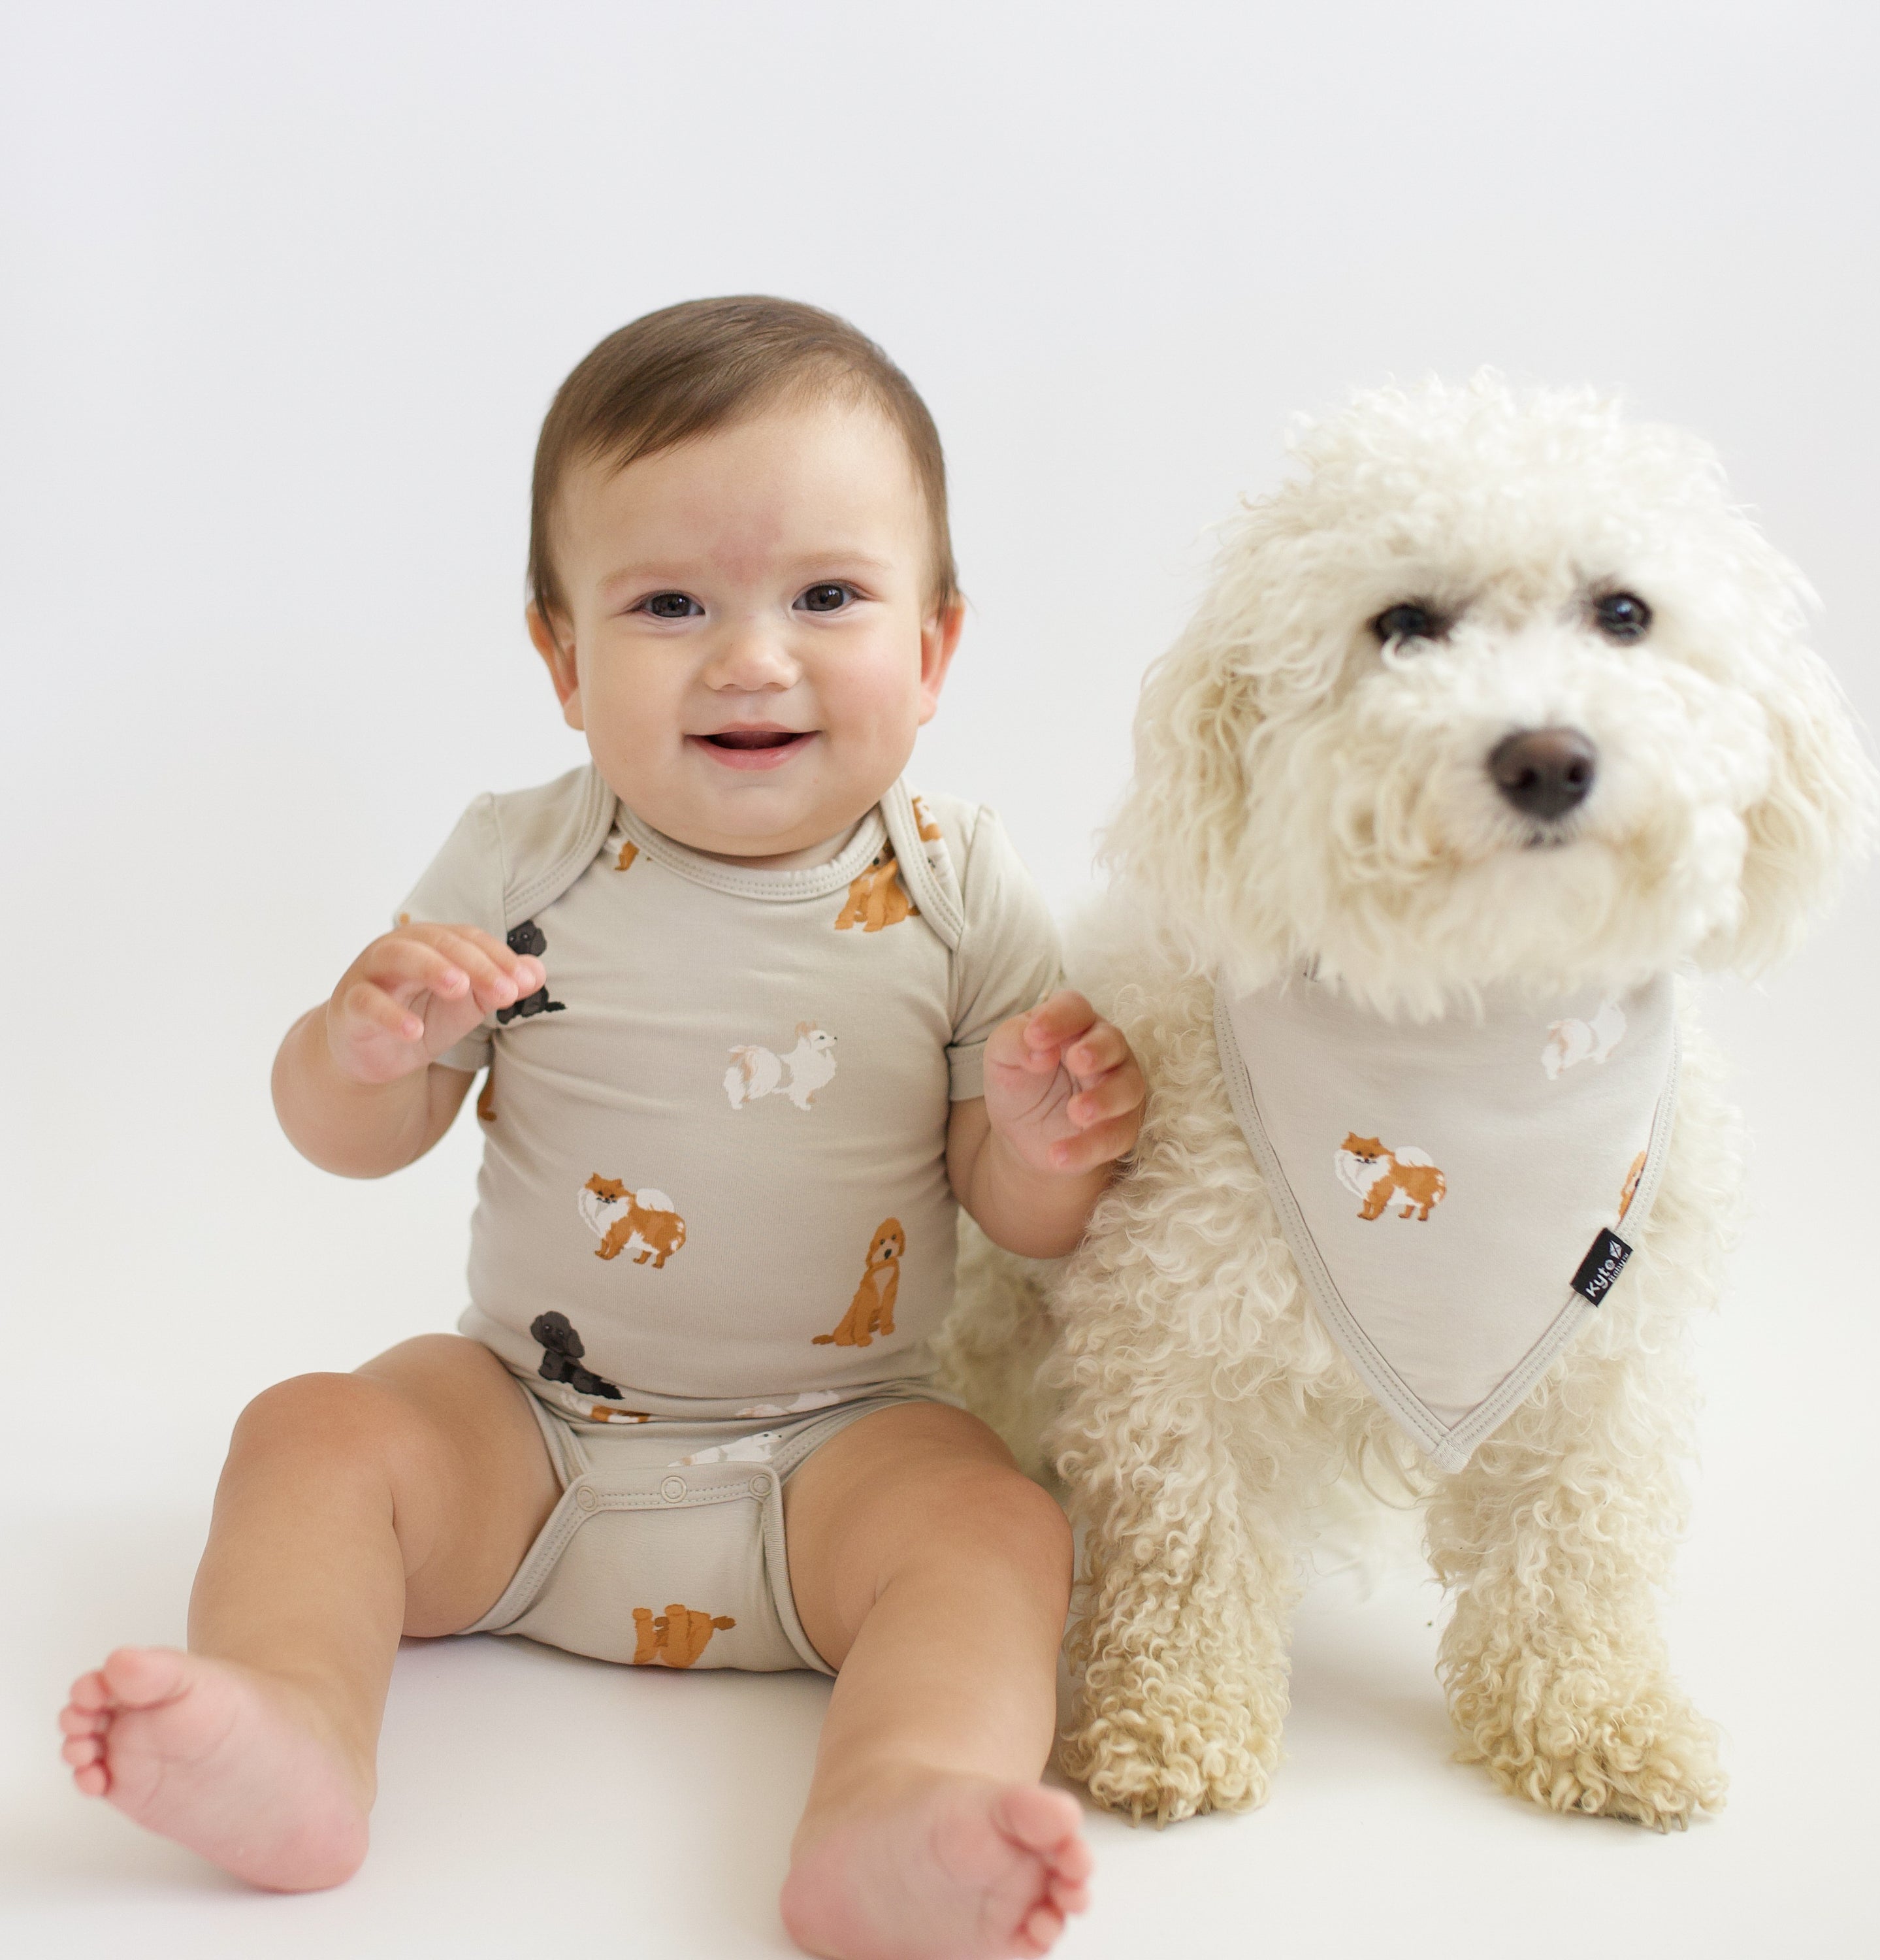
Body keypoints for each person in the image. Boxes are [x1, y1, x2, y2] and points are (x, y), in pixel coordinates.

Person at [57, 297, 1143, 1960]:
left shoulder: (961, 888)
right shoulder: (517, 862)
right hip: (528, 1427)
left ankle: (895, 1809)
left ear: (932, 650)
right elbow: (355, 1139)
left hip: (839, 1449)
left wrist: (1050, 1146)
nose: (752, 655)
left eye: (829, 596)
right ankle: (289, 1720)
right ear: (563, 659)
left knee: (997, 1522)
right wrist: (364, 1047)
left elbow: (1015, 1215)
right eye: (669, 604)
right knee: (314, 1431)